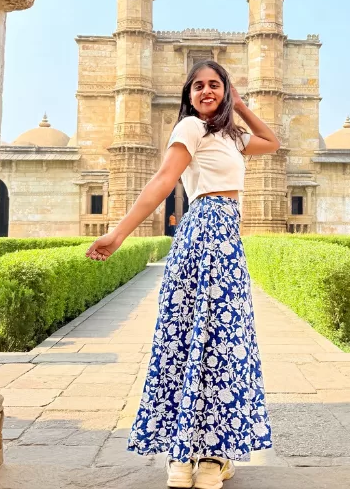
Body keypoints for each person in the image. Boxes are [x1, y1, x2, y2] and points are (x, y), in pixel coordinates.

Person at [86, 60, 281, 489]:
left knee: (220, 341)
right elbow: (162, 180)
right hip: (203, 232)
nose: (206, 91)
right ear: (188, 96)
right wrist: (117, 234)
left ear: (225, 91)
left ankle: (209, 456)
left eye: (215, 85)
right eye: (198, 86)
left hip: (227, 239)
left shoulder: (230, 136)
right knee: (191, 338)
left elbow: (272, 141)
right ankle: (185, 454)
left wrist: (242, 104)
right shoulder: (191, 128)